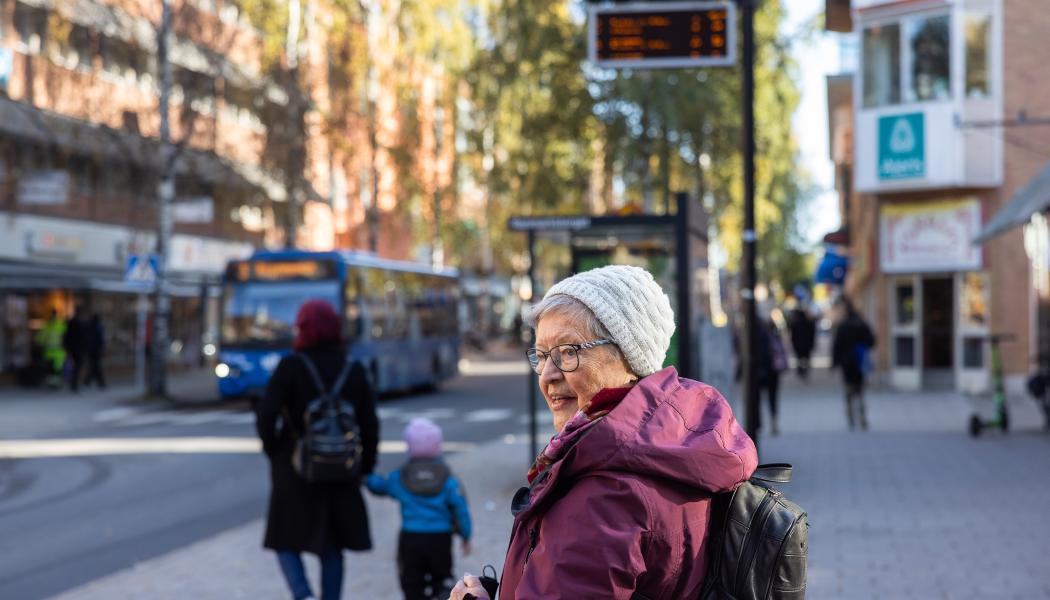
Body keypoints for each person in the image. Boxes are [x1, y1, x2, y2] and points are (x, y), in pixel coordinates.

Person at [449, 265, 758, 600]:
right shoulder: (677, 440)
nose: (547, 375)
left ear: (627, 356)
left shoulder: (601, 497)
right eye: (540, 355)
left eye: (568, 352)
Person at [255, 299, 380, 600]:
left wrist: (277, 452)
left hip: (295, 468)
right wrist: (364, 467)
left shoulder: (291, 367)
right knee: (332, 544)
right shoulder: (353, 368)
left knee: (284, 540)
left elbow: (265, 416)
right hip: (341, 470)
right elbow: (370, 425)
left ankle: (303, 594)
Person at [367, 418, 473, 600]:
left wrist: (365, 475)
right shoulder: (446, 477)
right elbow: (460, 507)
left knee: (412, 584)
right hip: (441, 539)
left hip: (411, 538)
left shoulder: (402, 475)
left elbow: (379, 486)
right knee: (443, 581)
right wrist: (466, 535)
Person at [831, 296, 876, 430]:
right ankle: (862, 417)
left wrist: (835, 363)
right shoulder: (861, 324)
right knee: (861, 391)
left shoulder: (843, 326)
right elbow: (872, 341)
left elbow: (837, 346)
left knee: (849, 391)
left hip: (847, 364)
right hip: (860, 362)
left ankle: (851, 417)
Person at [757, 316, 788, 436]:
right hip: (773, 372)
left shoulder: (756, 337)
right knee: (773, 398)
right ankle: (774, 422)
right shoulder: (775, 336)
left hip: (760, 372)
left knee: (757, 400)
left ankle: (758, 425)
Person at [35, 310, 66, 389]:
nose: (53, 317)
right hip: (50, 352)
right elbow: (40, 337)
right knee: (51, 370)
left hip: (58, 352)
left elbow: (66, 337)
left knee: (56, 370)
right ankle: (53, 384)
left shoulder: (60, 325)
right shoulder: (48, 326)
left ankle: (56, 384)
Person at [787, 303, 817, 379]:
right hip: (806, 345)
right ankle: (803, 370)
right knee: (805, 358)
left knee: (800, 358)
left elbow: (793, 335)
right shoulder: (808, 323)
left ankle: (801, 370)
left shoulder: (796, 323)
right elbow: (812, 334)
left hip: (799, 345)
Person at [83, 314, 107, 389]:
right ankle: (99, 382)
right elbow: (101, 339)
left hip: (90, 350)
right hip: (96, 350)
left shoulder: (88, 327)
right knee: (96, 366)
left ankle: (88, 381)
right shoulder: (99, 327)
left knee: (94, 366)